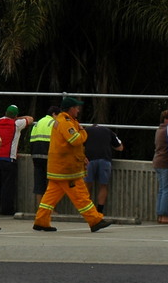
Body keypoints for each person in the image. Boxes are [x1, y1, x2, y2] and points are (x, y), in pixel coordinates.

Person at [33, 96, 110, 233]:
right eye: (77, 107)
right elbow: (75, 140)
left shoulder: (63, 120)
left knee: (50, 197)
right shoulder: (66, 122)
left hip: (59, 168)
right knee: (81, 195)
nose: (79, 110)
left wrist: (82, 157)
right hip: (67, 170)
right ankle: (95, 220)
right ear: (71, 109)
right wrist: (82, 131)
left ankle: (41, 221)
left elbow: (69, 147)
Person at [0, 104, 33, 216]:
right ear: (16, 115)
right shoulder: (17, 123)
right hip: (9, 158)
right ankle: (6, 209)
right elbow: (30, 119)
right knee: (8, 185)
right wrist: (18, 118)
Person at [84, 122, 123, 214]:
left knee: (87, 185)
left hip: (89, 160)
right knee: (103, 185)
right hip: (105, 160)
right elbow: (120, 147)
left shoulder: (85, 131)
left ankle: (86, 210)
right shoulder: (108, 131)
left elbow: (77, 144)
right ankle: (100, 210)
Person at [29, 106, 58, 210]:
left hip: (36, 156)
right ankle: (49, 209)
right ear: (54, 114)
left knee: (39, 183)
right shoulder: (53, 123)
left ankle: (39, 208)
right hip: (48, 155)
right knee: (51, 184)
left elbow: (31, 139)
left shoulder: (38, 123)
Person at [152, 109, 168, 223]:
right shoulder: (167, 129)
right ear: (167, 119)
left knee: (162, 189)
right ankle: (165, 215)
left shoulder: (160, 129)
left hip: (158, 161)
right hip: (165, 163)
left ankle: (160, 214)